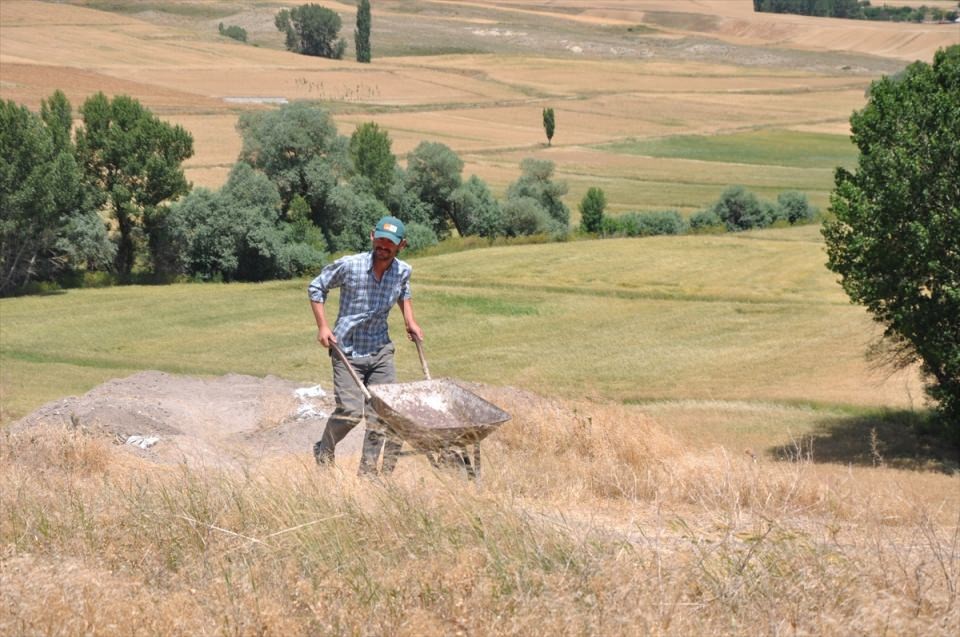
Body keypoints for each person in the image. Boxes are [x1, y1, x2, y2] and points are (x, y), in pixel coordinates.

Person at [308, 215, 424, 476]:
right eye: (380, 240)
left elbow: (403, 290)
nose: (384, 246)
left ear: (401, 245)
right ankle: (324, 448)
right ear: (373, 236)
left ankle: (368, 475)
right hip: (346, 349)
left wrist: (410, 320)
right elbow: (316, 287)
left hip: (380, 349)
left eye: (390, 243)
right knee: (350, 411)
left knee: (380, 415)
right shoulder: (350, 266)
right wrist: (323, 326)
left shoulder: (402, 270)